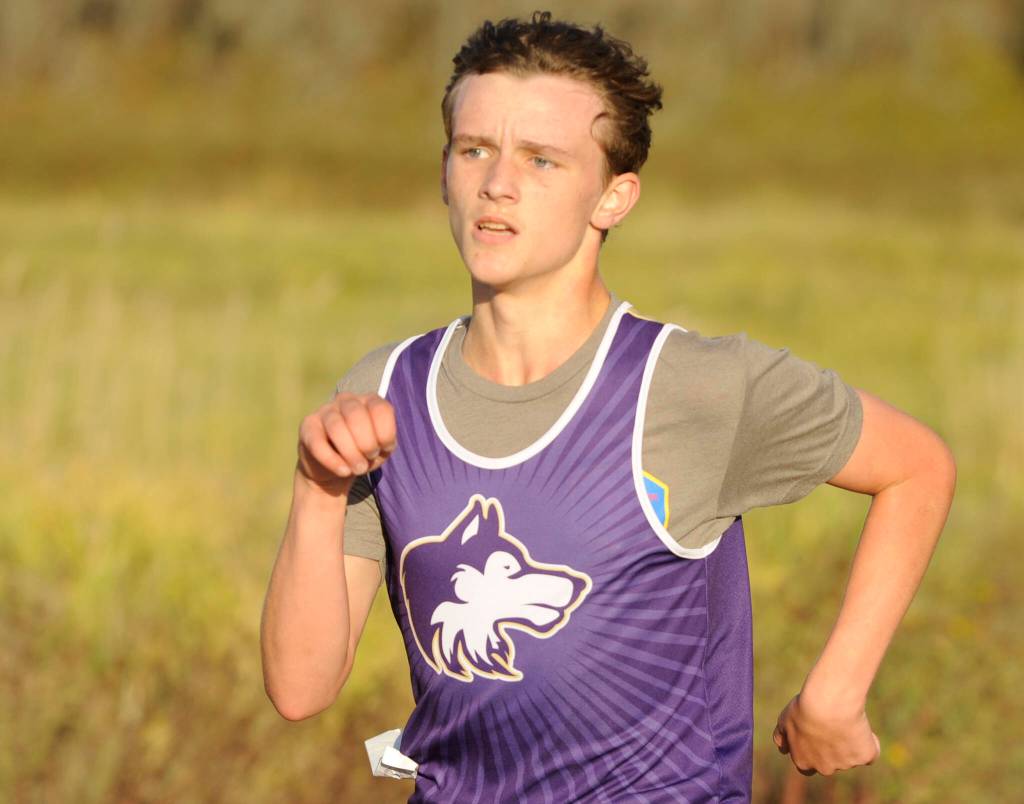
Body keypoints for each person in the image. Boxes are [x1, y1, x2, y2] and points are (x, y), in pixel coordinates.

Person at [260, 11, 956, 802]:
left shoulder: (693, 385)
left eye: (543, 159)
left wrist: (837, 692)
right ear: (444, 169)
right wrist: (317, 489)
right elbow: (299, 689)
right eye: (474, 148)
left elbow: (916, 468)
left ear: (615, 197)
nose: (497, 182)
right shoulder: (384, 392)